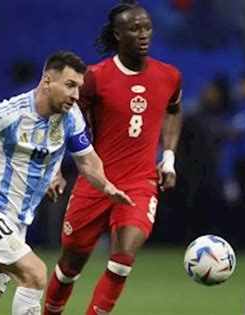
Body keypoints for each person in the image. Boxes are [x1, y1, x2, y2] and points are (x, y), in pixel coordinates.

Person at [0, 51, 133, 315]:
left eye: (79, 88)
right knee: (35, 273)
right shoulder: (12, 113)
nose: (76, 95)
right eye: (70, 85)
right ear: (48, 81)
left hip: (15, 222)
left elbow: (87, 161)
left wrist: (106, 186)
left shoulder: (71, 118)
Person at [43, 2, 183, 314]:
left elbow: (173, 110)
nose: (143, 34)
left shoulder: (169, 76)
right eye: (135, 29)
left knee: (122, 261)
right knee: (69, 267)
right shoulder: (94, 77)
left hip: (139, 184)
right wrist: (55, 167)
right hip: (96, 182)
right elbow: (63, 119)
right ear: (118, 35)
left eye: (147, 27)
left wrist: (169, 157)